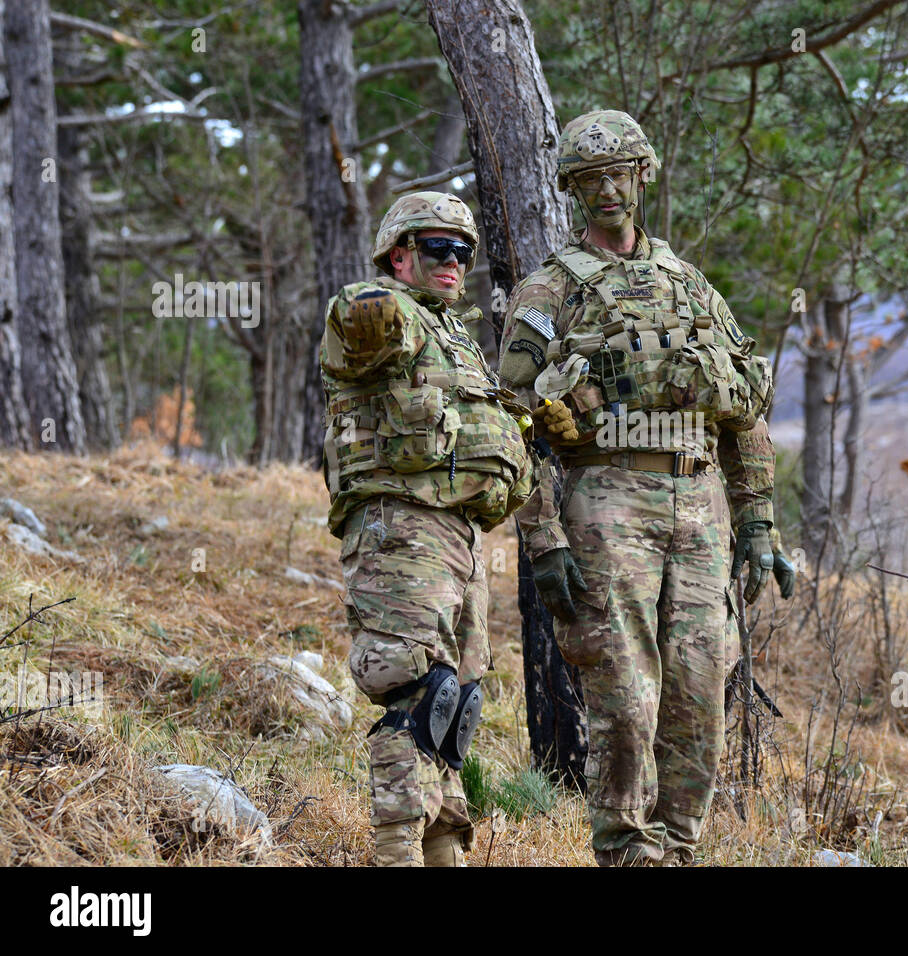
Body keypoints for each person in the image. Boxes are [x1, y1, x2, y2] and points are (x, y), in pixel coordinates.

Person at [496, 110, 777, 865]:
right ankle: (627, 849)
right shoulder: (549, 291)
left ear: (643, 176)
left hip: (699, 500)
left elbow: (742, 406)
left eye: (619, 174)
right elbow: (509, 424)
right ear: (572, 191)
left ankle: (680, 850)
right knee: (624, 699)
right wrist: (543, 536)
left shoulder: (691, 286)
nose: (607, 191)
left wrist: (758, 519)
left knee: (697, 695)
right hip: (605, 500)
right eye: (590, 181)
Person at [319, 191, 534, 866]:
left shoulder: (458, 341)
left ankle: (443, 854)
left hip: (460, 539)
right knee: (413, 694)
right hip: (399, 530)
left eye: (462, 251)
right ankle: (395, 854)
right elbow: (357, 318)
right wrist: (381, 297)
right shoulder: (387, 315)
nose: (454, 262)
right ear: (400, 254)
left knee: (453, 710)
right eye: (437, 248)